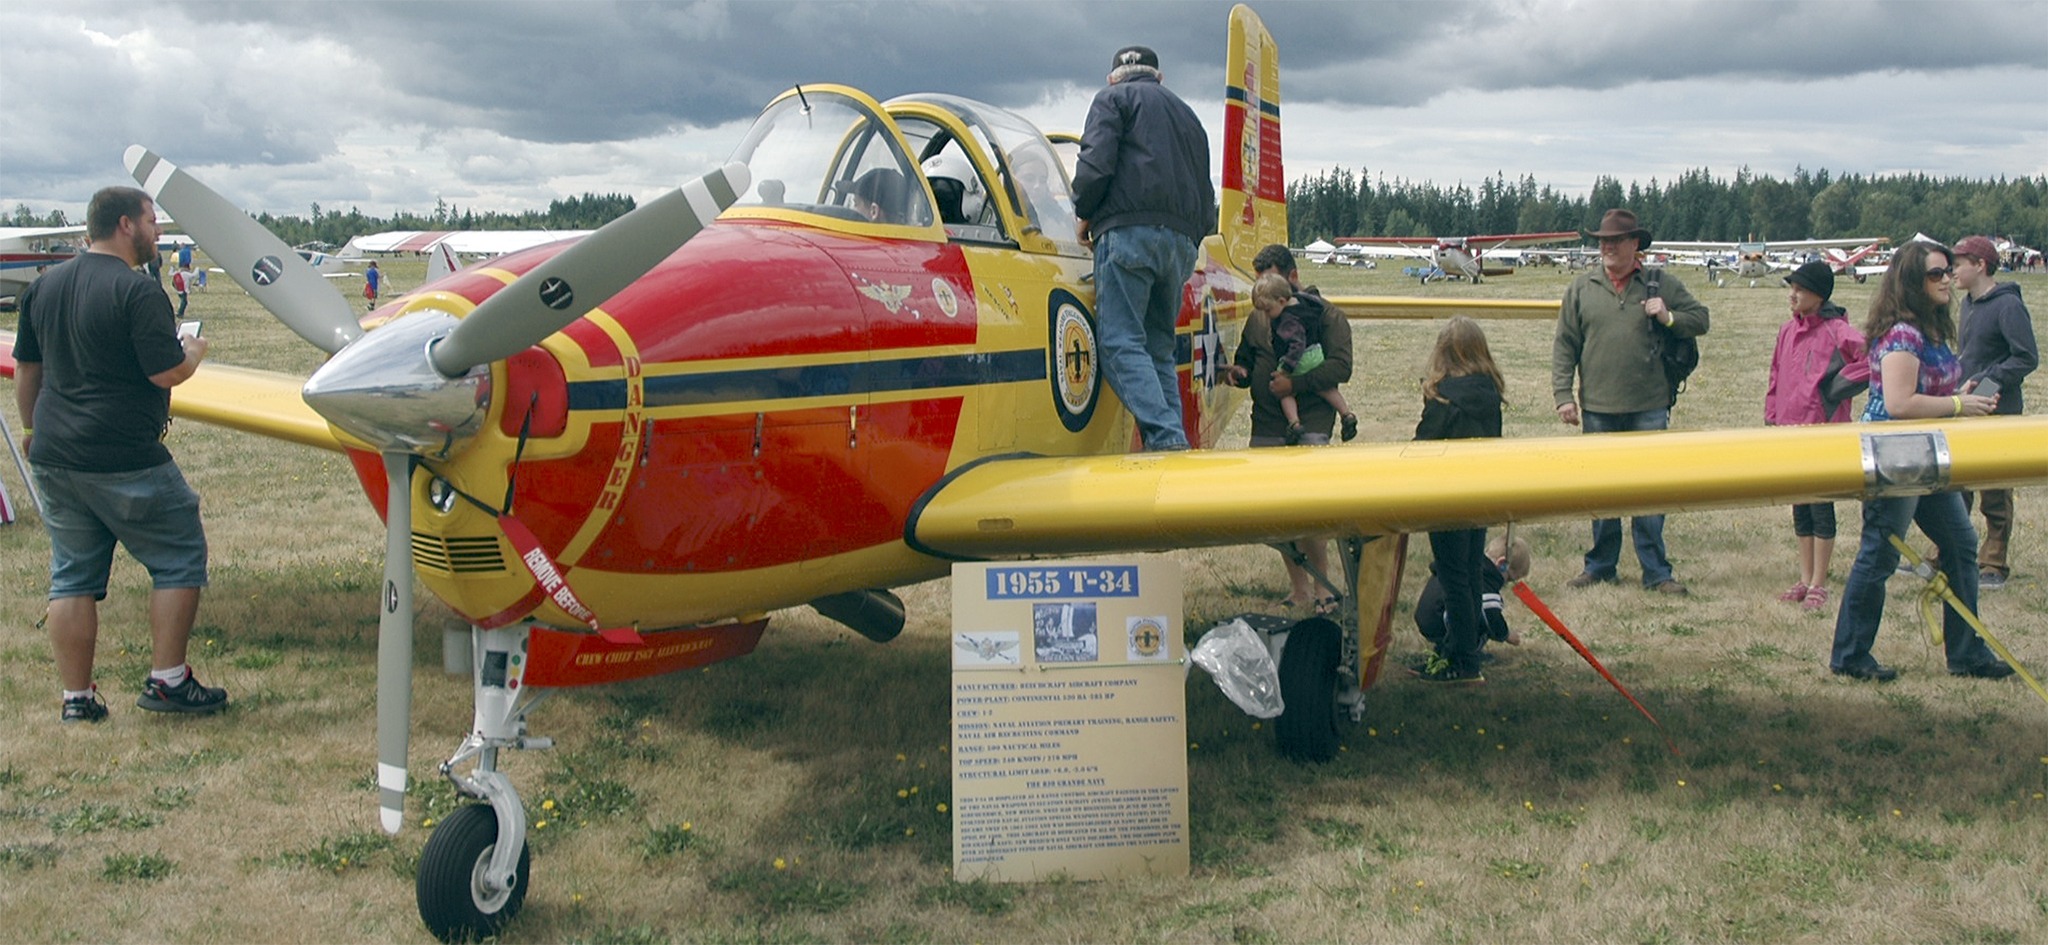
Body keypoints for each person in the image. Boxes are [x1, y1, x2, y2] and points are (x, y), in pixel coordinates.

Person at [13, 185, 226, 723]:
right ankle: (168, 680)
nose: (158, 233)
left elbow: (28, 372)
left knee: (71, 577)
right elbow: (166, 371)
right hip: (124, 454)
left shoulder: (45, 287)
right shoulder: (139, 292)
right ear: (127, 225)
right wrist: (193, 352)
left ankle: (76, 700)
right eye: (153, 221)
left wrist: (32, 427)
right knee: (179, 554)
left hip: (56, 452)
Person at [1828, 241, 2006, 683]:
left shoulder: (1930, 330)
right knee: (1880, 556)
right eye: (1936, 274)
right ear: (1912, 282)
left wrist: (1962, 397)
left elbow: (1929, 394)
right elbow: (1900, 403)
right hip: (1895, 455)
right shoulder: (1902, 334)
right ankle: (1850, 655)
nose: (1947, 278)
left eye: (1948, 271)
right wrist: (1961, 407)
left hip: (1927, 452)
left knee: (1962, 545)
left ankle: (1966, 653)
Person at [1552, 209, 1709, 594]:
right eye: (1602, 241)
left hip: (1649, 406)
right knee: (1601, 491)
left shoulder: (1659, 283)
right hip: (1597, 408)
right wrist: (1562, 395)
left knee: (1649, 491)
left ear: (1634, 244)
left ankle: (1656, 572)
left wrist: (1668, 317)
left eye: (1615, 241)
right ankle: (1601, 566)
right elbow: (1565, 344)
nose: (1606, 247)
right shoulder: (1581, 288)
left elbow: (1700, 319)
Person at [1072, 44, 1214, 452]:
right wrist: (1190, 238)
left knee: (1120, 343)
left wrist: (1085, 213)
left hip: (1128, 233)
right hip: (1181, 244)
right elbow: (1206, 194)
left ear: (1112, 77)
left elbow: (1095, 165)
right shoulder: (1188, 116)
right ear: (1159, 77)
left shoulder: (1111, 100)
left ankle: (1168, 441)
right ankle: (1174, 446)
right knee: (1159, 350)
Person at [1227, 245, 1354, 612]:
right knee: (1274, 509)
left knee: (1309, 506)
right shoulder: (1259, 316)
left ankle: (1323, 588)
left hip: (1311, 418)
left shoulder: (1328, 316)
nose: (1261, 294)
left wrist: (1293, 386)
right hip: (1266, 420)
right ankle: (1298, 589)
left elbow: (1340, 368)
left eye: (1269, 282)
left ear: (1292, 279)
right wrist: (1240, 372)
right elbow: (1247, 355)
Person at [1409, 316, 1507, 684]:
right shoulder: (1489, 392)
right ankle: (1461, 648)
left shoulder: (1444, 397)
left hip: (1447, 497)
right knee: (1467, 575)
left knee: (1453, 581)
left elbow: (1424, 447)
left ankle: (1464, 659)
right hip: (1479, 495)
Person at [1764, 260, 1866, 611]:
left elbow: (1871, 359)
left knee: (1821, 506)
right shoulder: (1786, 331)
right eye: (1791, 288)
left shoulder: (1838, 330)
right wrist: (1772, 416)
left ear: (1819, 297)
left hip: (1822, 431)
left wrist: (1836, 388)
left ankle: (1820, 581)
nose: (1792, 295)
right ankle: (1804, 577)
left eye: (1800, 290)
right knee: (1800, 506)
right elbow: (1776, 374)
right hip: (1790, 430)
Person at [1951, 234, 2037, 591]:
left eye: (1958, 263)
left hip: (1999, 410)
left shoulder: (2008, 306)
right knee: (1959, 483)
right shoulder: (1968, 304)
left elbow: (2026, 357)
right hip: (1967, 407)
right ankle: (1949, 550)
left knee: (1995, 490)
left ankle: (1993, 560)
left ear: (1980, 265)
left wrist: (1988, 381)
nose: (1952, 271)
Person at [1249, 273, 1357, 445]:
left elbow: (1297, 344)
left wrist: (1286, 372)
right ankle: (1346, 413)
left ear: (1282, 301)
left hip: (1298, 359)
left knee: (1285, 392)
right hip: (1315, 354)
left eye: (1268, 311)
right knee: (1326, 389)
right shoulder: (1308, 304)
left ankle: (1294, 422)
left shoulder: (1287, 320)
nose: (1266, 316)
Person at [1416, 533, 1530, 655]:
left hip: (1426, 617)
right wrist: (1506, 634)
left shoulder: (1463, 564)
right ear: (1501, 564)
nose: (1505, 584)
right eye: (1509, 579)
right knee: (1479, 620)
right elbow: (1491, 614)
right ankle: (1467, 654)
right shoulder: (1485, 580)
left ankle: (1444, 649)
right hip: (1442, 622)